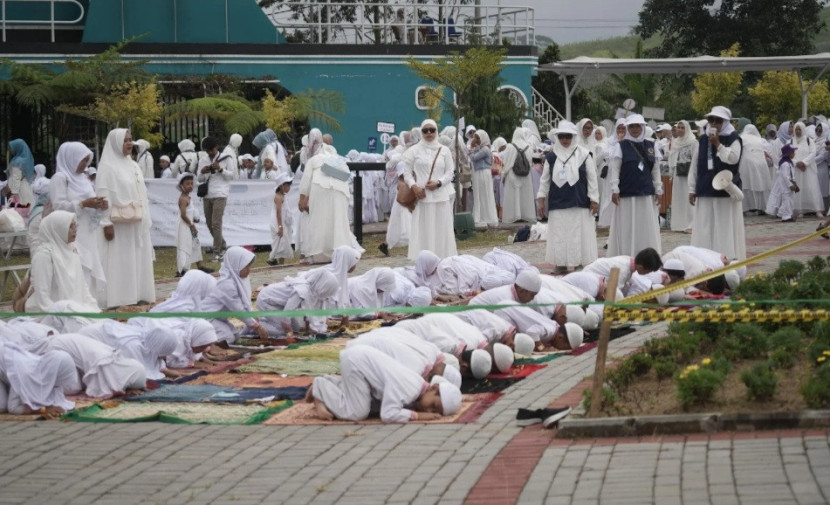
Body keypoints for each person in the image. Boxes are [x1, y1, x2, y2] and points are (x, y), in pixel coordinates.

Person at [309, 345, 462, 423]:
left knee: (372, 406)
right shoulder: (410, 389)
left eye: (434, 410)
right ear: (434, 388)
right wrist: (418, 416)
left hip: (360, 359)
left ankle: (332, 384)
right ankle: (321, 386)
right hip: (356, 361)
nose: (428, 410)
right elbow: (388, 415)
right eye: (433, 405)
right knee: (358, 412)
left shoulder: (416, 386)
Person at [95, 128, 155, 308]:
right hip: (118, 223)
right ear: (115, 143)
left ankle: (138, 294)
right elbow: (103, 196)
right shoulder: (107, 167)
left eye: (130, 139)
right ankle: (119, 298)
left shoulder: (133, 164)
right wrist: (105, 222)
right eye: (125, 140)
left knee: (136, 257)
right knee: (120, 260)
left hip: (136, 221)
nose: (129, 143)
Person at [537, 120, 599, 273]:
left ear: (573, 137)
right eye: (562, 136)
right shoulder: (551, 157)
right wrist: (541, 199)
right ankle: (561, 263)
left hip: (579, 201)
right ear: (558, 137)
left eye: (568, 137)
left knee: (578, 234)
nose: (565, 140)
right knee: (559, 234)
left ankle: (578, 263)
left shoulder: (584, 155)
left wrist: (594, 199)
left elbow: (592, 178)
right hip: (558, 201)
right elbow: (544, 180)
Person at [49, 141, 107, 304]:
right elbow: (58, 207)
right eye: (82, 160)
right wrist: (82, 204)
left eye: (87, 161)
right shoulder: (60, 178)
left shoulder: (83, 179)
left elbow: (91, 206)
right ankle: (74, 306)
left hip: (87, 233)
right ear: (71, 158)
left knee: (87, 269)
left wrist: (100, 207)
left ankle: (88, 304)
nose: (85, 165)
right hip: (71, 233)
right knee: (75, 269)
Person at [688, 106, 746, 260]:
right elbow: (695, 165)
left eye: (718, 121)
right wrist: (692, 188)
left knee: (724, 229)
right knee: (705, 228)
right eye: (711, 120)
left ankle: (726, 260)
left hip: (724, 192)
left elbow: (733, 158)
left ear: (725, 122)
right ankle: (704, 261)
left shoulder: (734, 139)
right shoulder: (701, 140)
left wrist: (718, 144)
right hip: (705, 189)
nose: (714, 123)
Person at [607, 114, 663, 256]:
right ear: (627, 128)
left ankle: (648, 254)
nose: (635, 129)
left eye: (638, 126)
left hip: (646, 193)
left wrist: (659, 188)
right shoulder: (621, 146)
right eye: (632, 126)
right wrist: (615, 189)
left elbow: (655, 170)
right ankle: (628, 254)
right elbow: (615, 169)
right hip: (627, 193)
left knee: (646, 225)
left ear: (643, 127)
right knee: (628, 225)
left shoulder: (652, 146)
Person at [401, 119, 457, 261]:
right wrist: (414, 186)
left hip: (440, 196)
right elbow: (406, 172)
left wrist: (439, 183)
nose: (429, 133)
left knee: (441, 230)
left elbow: (450, 172)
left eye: (432, 130)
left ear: (436, 131)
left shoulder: (444, 150)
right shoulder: (413, 151)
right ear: (421, 132)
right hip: (422, 196)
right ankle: (424, 261)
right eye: (425, 130)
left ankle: (443, 259)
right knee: (424, 231)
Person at [25, 211, 101, 313]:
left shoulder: (73, 251)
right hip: (49, 313)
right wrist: (67, 314)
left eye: (75, 225)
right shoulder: (44, 255)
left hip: (74, 309)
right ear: (57, 229)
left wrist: (93, 308)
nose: (75, 230)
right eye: (70, 226)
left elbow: (83, 289)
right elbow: (42, 298)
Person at [298, 129, 354, 261]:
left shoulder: (313, 160)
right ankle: (341, 253)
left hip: (320, 187)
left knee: (318, 220)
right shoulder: (335, 157)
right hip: (341, 190)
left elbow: (305, 181)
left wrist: (302, 199)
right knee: (337, 220)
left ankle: (318, 255)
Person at [200, 246, 268, 344]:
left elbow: (245, 305)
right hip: (207, 318)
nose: (249, 270)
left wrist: (254, 319)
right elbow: (239, 310)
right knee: (227, 338)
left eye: (249, 266)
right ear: (236, 265)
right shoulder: (226, 284)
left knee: (236, 335)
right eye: (246, 266)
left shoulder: (238, 280)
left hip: (218, 318)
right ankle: (203, 346)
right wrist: (257, 326)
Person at [46, 333, 147, 398]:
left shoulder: (115, 360)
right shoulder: (105, 363)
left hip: (64, 344)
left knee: (80, 383)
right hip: (58, 350)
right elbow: (99, 391)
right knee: (73, 388)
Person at [0, 341, 79, 418]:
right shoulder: (26, 375)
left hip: (8, 362)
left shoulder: (44, 371)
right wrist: (44, 410)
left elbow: (54, 396)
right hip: (7, 361)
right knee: (2, 407)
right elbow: (13, 408)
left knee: (17, 396)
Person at [78, 322, 178, 381]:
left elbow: (152, 359)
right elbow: (137, 371)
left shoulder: (148, 340)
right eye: (163, 353)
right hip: (86, 341)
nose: (163, 358)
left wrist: (165, 370)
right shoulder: (131, 345)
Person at [256, 269, 339, 336]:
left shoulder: (311, 291)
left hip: (279, 305)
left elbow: (307, 311)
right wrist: (288, 332)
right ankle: (254, 325)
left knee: (296, 329)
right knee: (282, 332)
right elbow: (287, 315)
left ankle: (265, 320)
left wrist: (309, 329)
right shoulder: (302, 291)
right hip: (266, 301)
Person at [197, 136, 237, 261]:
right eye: (207, 151)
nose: (209, 153)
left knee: (216, 223)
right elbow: (199, 179)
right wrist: (203, 172)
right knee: (209, 224)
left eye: (211, 150)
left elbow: (232, 175)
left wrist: (220, 169)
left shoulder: (226, 158)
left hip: (220, 193)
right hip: (207, 194)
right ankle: (223, 245)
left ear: (216, 147)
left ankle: (217, 251)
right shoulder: (203, 160)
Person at [175, 173, 212, 277]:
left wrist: (194, 219)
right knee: (185, 246)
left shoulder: (188, 197)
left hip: (189, 224)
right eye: (187, 184)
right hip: (185, 226)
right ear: (181, 185)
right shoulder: (183, 198)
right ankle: (182, 269)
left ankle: (200, 266)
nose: (190, 186)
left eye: (192, 183)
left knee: (195, 245)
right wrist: (191, 225)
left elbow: (189, 212)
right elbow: (183, 215)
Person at [500, 127, 537, 223]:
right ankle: (526, 215)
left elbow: (506, 163)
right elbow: (530, 162)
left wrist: (504, 175)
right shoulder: (529, 147)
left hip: (513, 173)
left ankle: (513, 216)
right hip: (526, 175)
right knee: (525, 196)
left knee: (513, 196)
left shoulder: (510, 146)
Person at [790, 121, 825, 217]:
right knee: (799, 189)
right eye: (796, 129)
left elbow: (812, 153)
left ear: (803, 130)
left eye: (799, 129)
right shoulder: (791, 141)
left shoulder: (809, 141)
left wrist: (804, 162)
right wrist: (797, 163)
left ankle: (817, 209)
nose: (797, 131)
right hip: (797, 169)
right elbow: (789, 155)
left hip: (808, 169)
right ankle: (801, 210)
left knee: (812, 188)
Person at [668, 120, 696, 232]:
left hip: (689, 173)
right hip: (678, 174)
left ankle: (691, 224)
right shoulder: (675, 142)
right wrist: (671, 174)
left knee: (688, 197)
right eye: (678, 127)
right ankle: (679, 224)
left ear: (687, 129)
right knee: (679, 198)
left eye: (682, 127)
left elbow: (695, 158)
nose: (679, 129)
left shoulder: (692, 141)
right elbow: (671, 158)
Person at [739, 125, 773, 214]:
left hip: (747, 163)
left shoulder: (742, 138)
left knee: (746, 185)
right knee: (762, 185)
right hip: (761, 164)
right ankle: (763, 207)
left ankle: (744, 208)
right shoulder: (761, 140)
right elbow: (770, 151)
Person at [469, 129, 499, 227]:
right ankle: (481, 215)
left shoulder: (485, 149)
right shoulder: (482, 148)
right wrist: (474, 148)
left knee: (484, 194)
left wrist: (471, 147)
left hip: (483, 173)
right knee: (480, 195)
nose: (476, 140)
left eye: (478, 138)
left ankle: (486, 217)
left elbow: (474, 158)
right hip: (480, 173)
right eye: (475, 137)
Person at [766, 144, 799, 222]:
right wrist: (790, 185)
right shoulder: (784, 164)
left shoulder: (790, 163)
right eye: (792, 152)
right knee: (786, 200)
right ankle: (786, 216)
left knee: (789, 200)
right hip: (785, 185)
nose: (794, 154)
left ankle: (784, 213)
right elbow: (785, 176)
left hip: (789, 184)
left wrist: (795, 183)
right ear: (788, 153)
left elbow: (792, 175)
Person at [267, 172, 294, 266]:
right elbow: (278, 212)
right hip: (278, 222)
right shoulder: (278, 197)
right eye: (287, 185)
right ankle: (274, 259)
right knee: (280, 242)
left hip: (282, 222)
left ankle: (278, 261)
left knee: (283, 243)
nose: (289, 187)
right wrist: (280, 226)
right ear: (282, 186)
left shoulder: (283, 196)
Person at [5, 139, 36, 208]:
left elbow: (16, 177)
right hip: (25, 187)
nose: (11, 150)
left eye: (12, 148)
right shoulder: (24, 160)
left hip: (19, 190)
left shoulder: (18, 161)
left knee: (18, 210)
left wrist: (14, 193)